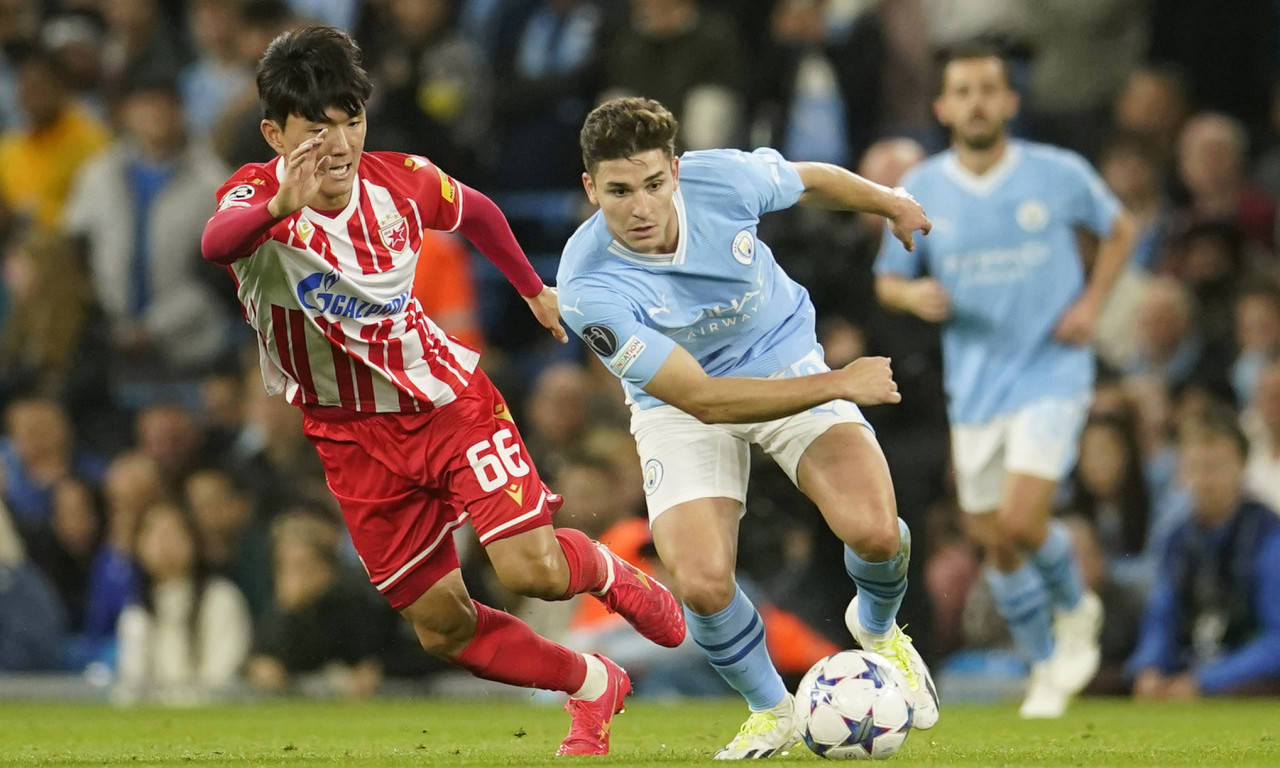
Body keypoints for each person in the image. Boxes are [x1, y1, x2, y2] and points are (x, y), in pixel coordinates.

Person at [199, 26, 684, 756]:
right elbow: (216, 243)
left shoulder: (400, 181)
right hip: (350, 439)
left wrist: (532, 289)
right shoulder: (254, 197)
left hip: (446, 404)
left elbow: (478, 211)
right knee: (441, 627)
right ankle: (590, 683)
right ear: (275, 134)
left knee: (529, 570)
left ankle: (609, 570)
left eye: (351, 121)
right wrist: (277, 207)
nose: (339, 145)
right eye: (316, 129)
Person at [556, 96, 937, 759]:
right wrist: (839, 382)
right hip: (682, 405)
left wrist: (889, 202)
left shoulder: (722, 179)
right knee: (702, 583)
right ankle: (771, 708)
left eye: (654, 184)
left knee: (876, 532)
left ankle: (879, 629)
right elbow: (704, 401)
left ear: (676, 171)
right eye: (619, 192)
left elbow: (810, 180)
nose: (641, 207)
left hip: (781, 356)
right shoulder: (587, 285)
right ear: (591, 188)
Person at [874, 45, 1136, 718]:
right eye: (963, 91)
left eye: (989, 89)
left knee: (1021, 520)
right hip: (976, 385)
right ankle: (1046, 662)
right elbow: (888, 279)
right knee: (992, 538)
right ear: (942, 107)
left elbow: (1119, 229)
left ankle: (1076, 608)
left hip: (1051, 370)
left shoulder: (1057, 172)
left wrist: (1091, 303)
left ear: (1010, 101)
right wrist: (914, 296)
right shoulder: (922, 186)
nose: (977, 102)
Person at [1125, 408, 1280, 698]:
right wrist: (1149, 667)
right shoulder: (1177, 539)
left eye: (1215, 467)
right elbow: (1162, 616)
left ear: (1242, 467)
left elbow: (1278, 642)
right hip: (1192, 667)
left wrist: (1206, 681)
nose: (1205, 480)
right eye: (1195, 467)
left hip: (1249, 680)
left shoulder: (1269, 536)